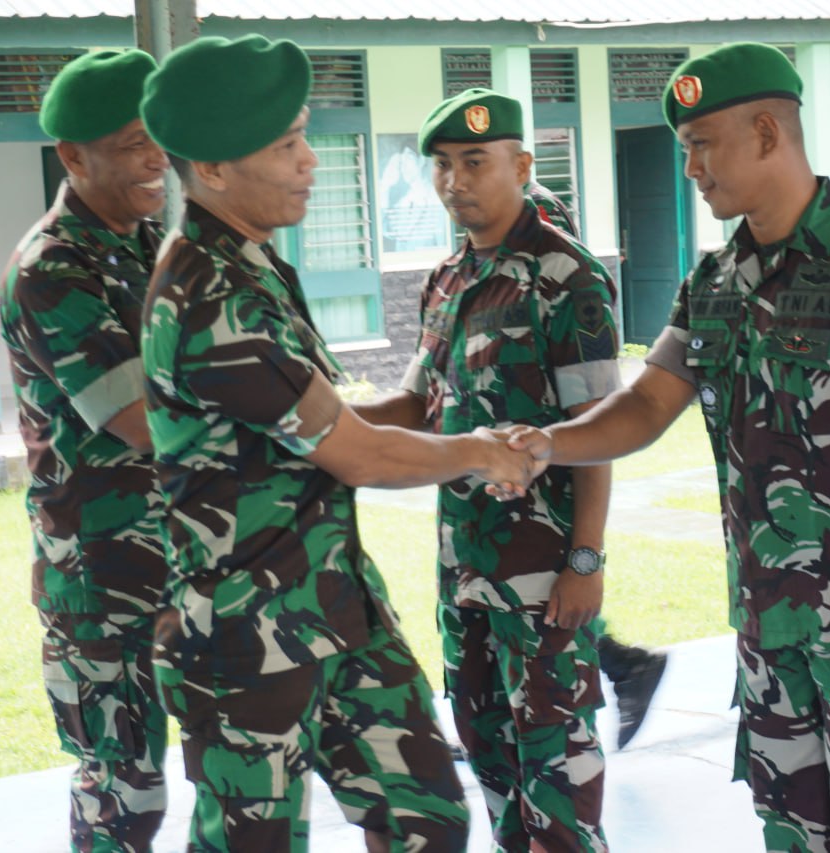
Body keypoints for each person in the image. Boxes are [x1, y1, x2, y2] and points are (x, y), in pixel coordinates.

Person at [506, 43, 830, 851]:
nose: (691, 168)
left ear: (766, 132)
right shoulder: (712, 283)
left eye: (702, 144)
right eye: (685, 149)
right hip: (768, 622)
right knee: (791, 827)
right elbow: (646, 404)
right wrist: (546, 442)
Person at [138, 37, 533, 852]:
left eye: (303, 136)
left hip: (332, 610)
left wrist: (427, 411)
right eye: (286, 145)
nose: (310, 160)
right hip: (249, 639)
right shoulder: (211, 295)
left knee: (426, 818)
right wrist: (481, 449)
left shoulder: (250, 265)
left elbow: (324, 422)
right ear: (211, 169)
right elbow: (355, 452)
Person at [355, 88, 616, 851]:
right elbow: (415, 402)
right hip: (465, 571)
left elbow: (597, 432)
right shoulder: (447, 278)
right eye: (442, 164)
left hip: (543, 579)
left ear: (521, 165)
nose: (455, 181)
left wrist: (585, 559)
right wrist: (318, 425)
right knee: (493, 764)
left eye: (475, 161)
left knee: (558, 786)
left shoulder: (566, 276)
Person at [0, 49, 170, 852]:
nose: (157, 159)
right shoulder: (51, 268)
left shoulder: (149, 244)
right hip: (103, 577)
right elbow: (140, 421)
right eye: (135, 143)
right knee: (123, 792)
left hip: (183, 559)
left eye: (161, 139)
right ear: (73, 155)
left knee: (240, 766)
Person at [527, 180, 671, 751]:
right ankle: (624, 664)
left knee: (552, 608)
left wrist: (587, 556)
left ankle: (622, 665)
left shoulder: (541, 224)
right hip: (500, 494)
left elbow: (600, 416)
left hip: (551, 475)